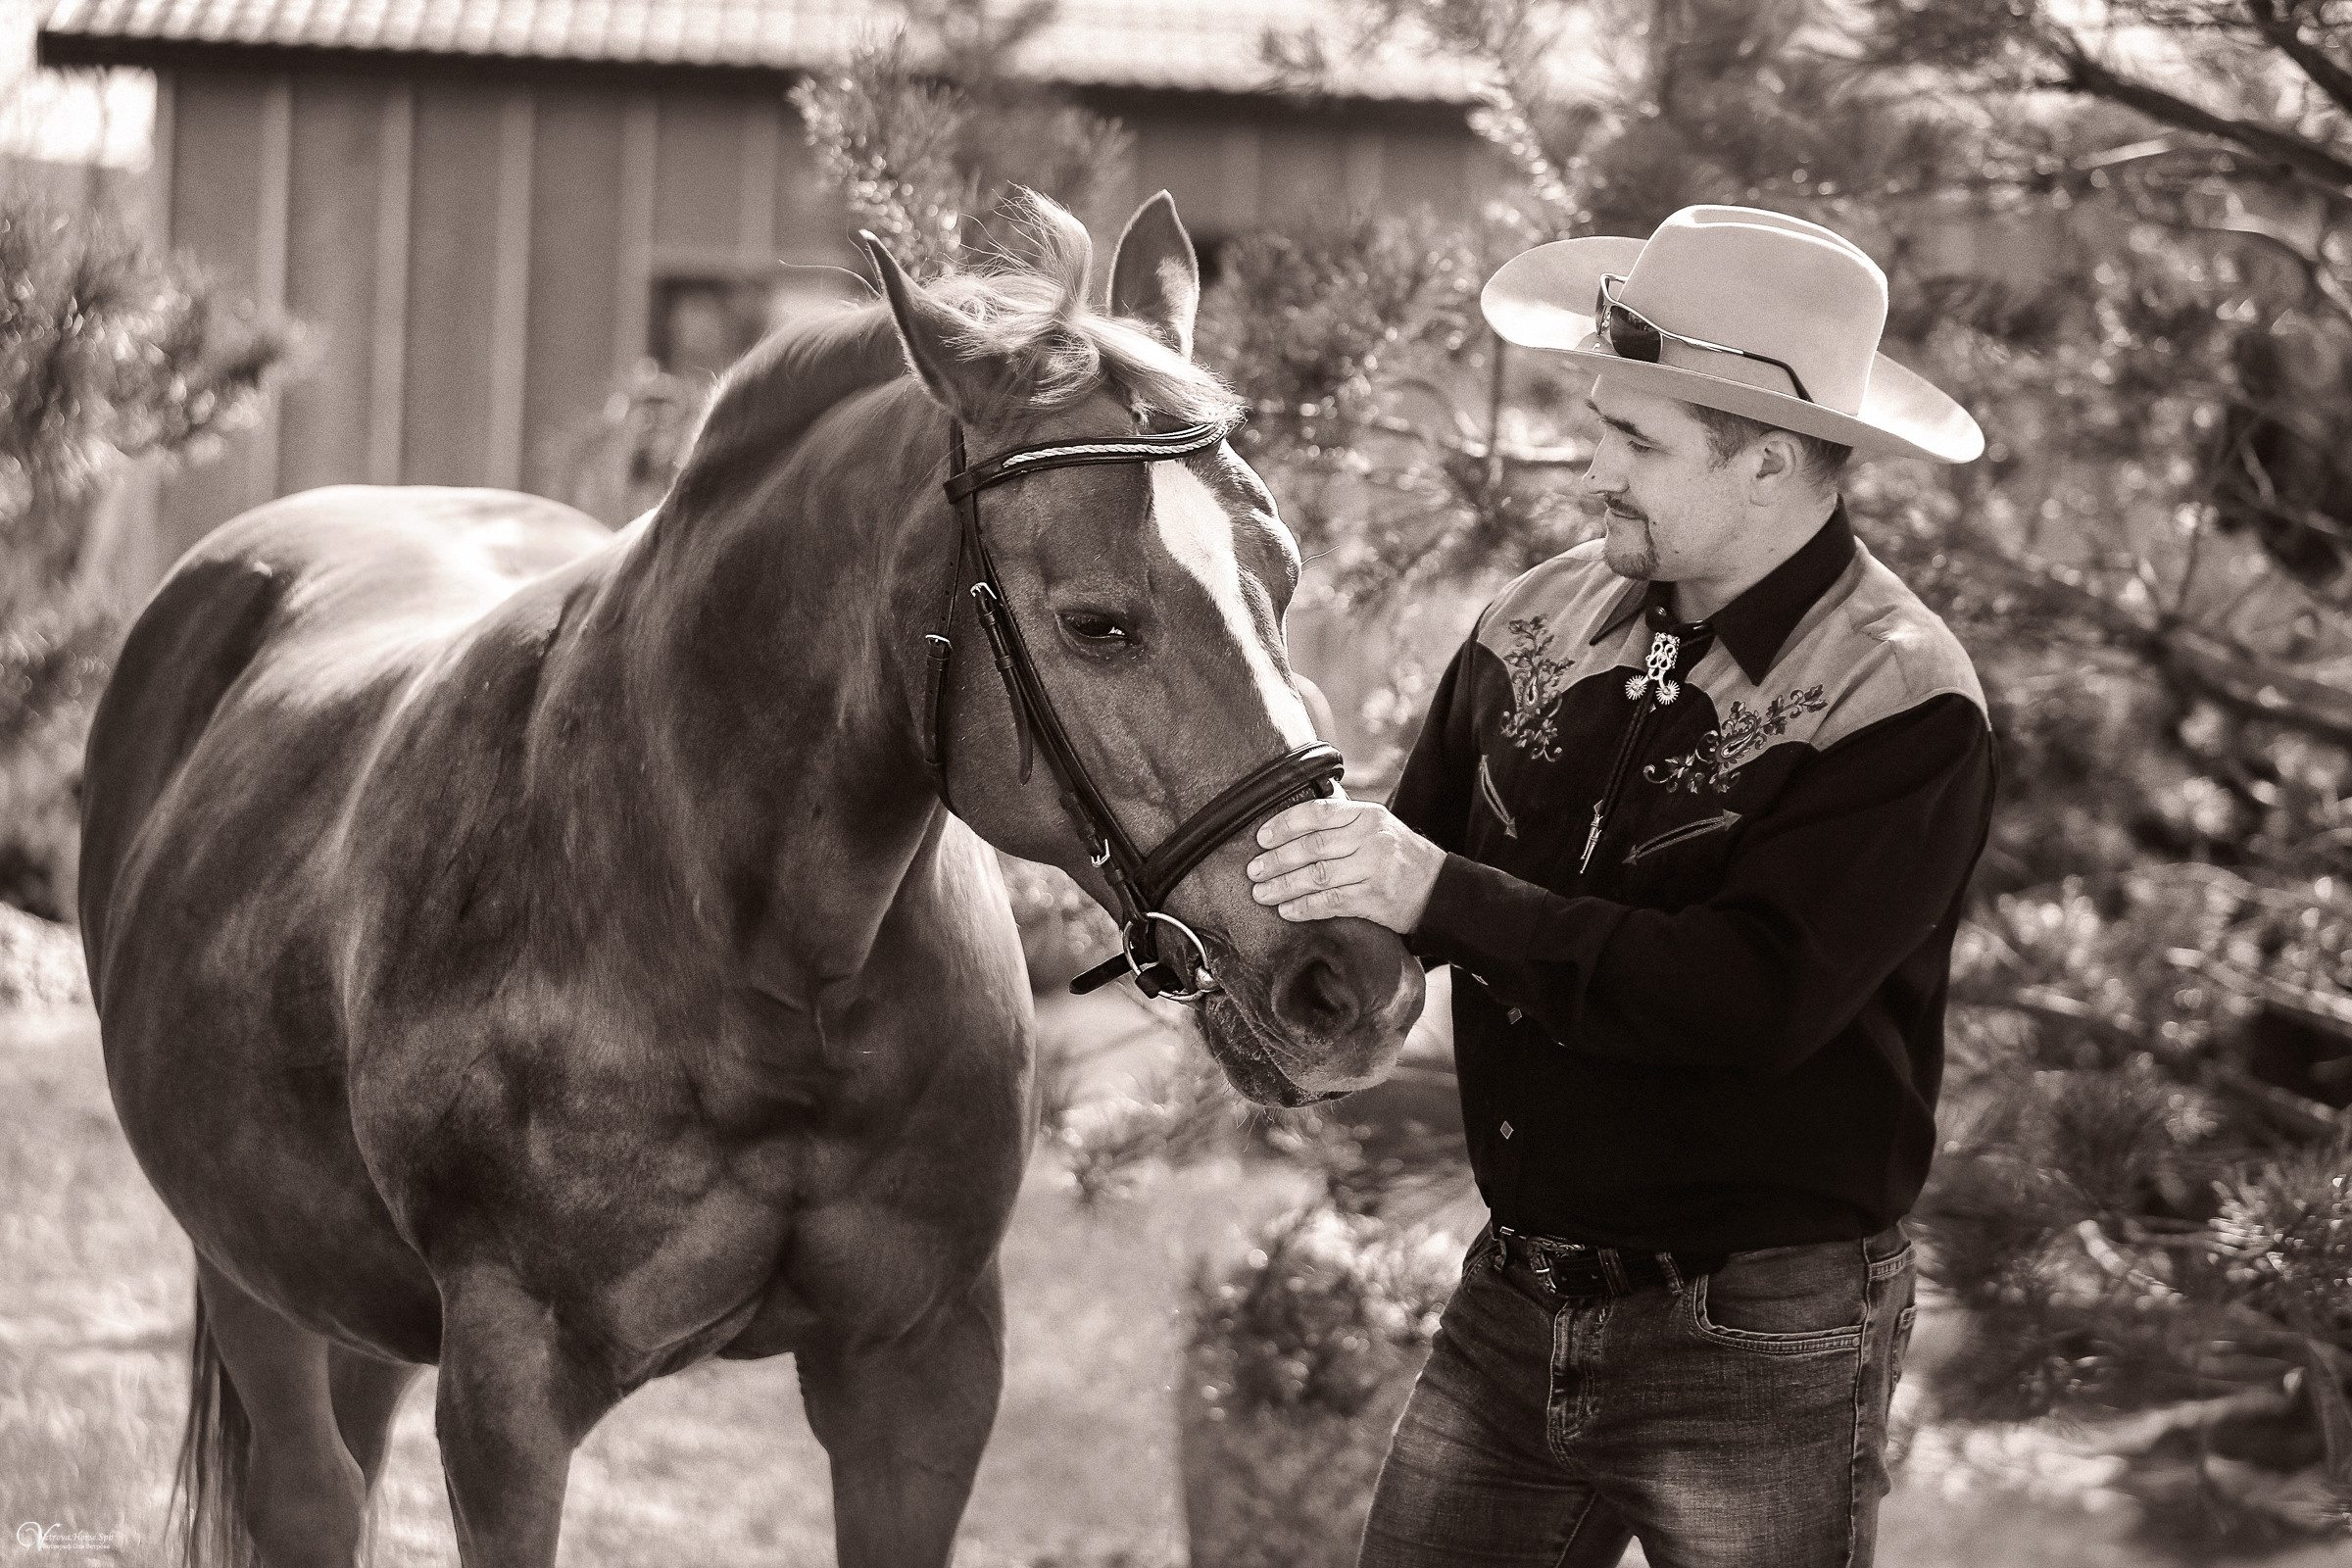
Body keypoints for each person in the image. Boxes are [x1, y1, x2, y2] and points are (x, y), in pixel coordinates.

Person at [1242, 205, 1998, 1567]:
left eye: (1636, 443)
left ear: (1769, 462)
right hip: (1516, 1294)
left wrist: (1447, 897)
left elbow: (1752, 1000)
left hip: (1762, 1328)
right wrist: (1251, 880)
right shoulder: (1532, 619)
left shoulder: (1903, 699)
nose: (1592, 470)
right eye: (1600, 425)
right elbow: (1398, 883)